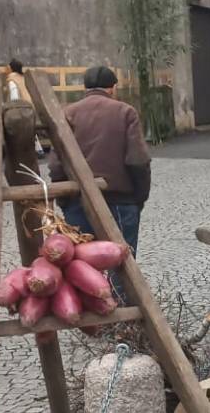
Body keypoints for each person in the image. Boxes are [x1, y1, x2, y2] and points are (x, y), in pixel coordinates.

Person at [49, 65, 151, 270]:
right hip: (120, 201)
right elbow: (138, 161)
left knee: (81, 269)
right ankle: (120, 302)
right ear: (112, 88)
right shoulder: (125, 112)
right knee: (122, 269)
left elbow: (56, 164)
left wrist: (64, 200)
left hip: (77, 200)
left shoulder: (68, 113)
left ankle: (88, 303)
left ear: (85, 88)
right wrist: (139, 198)